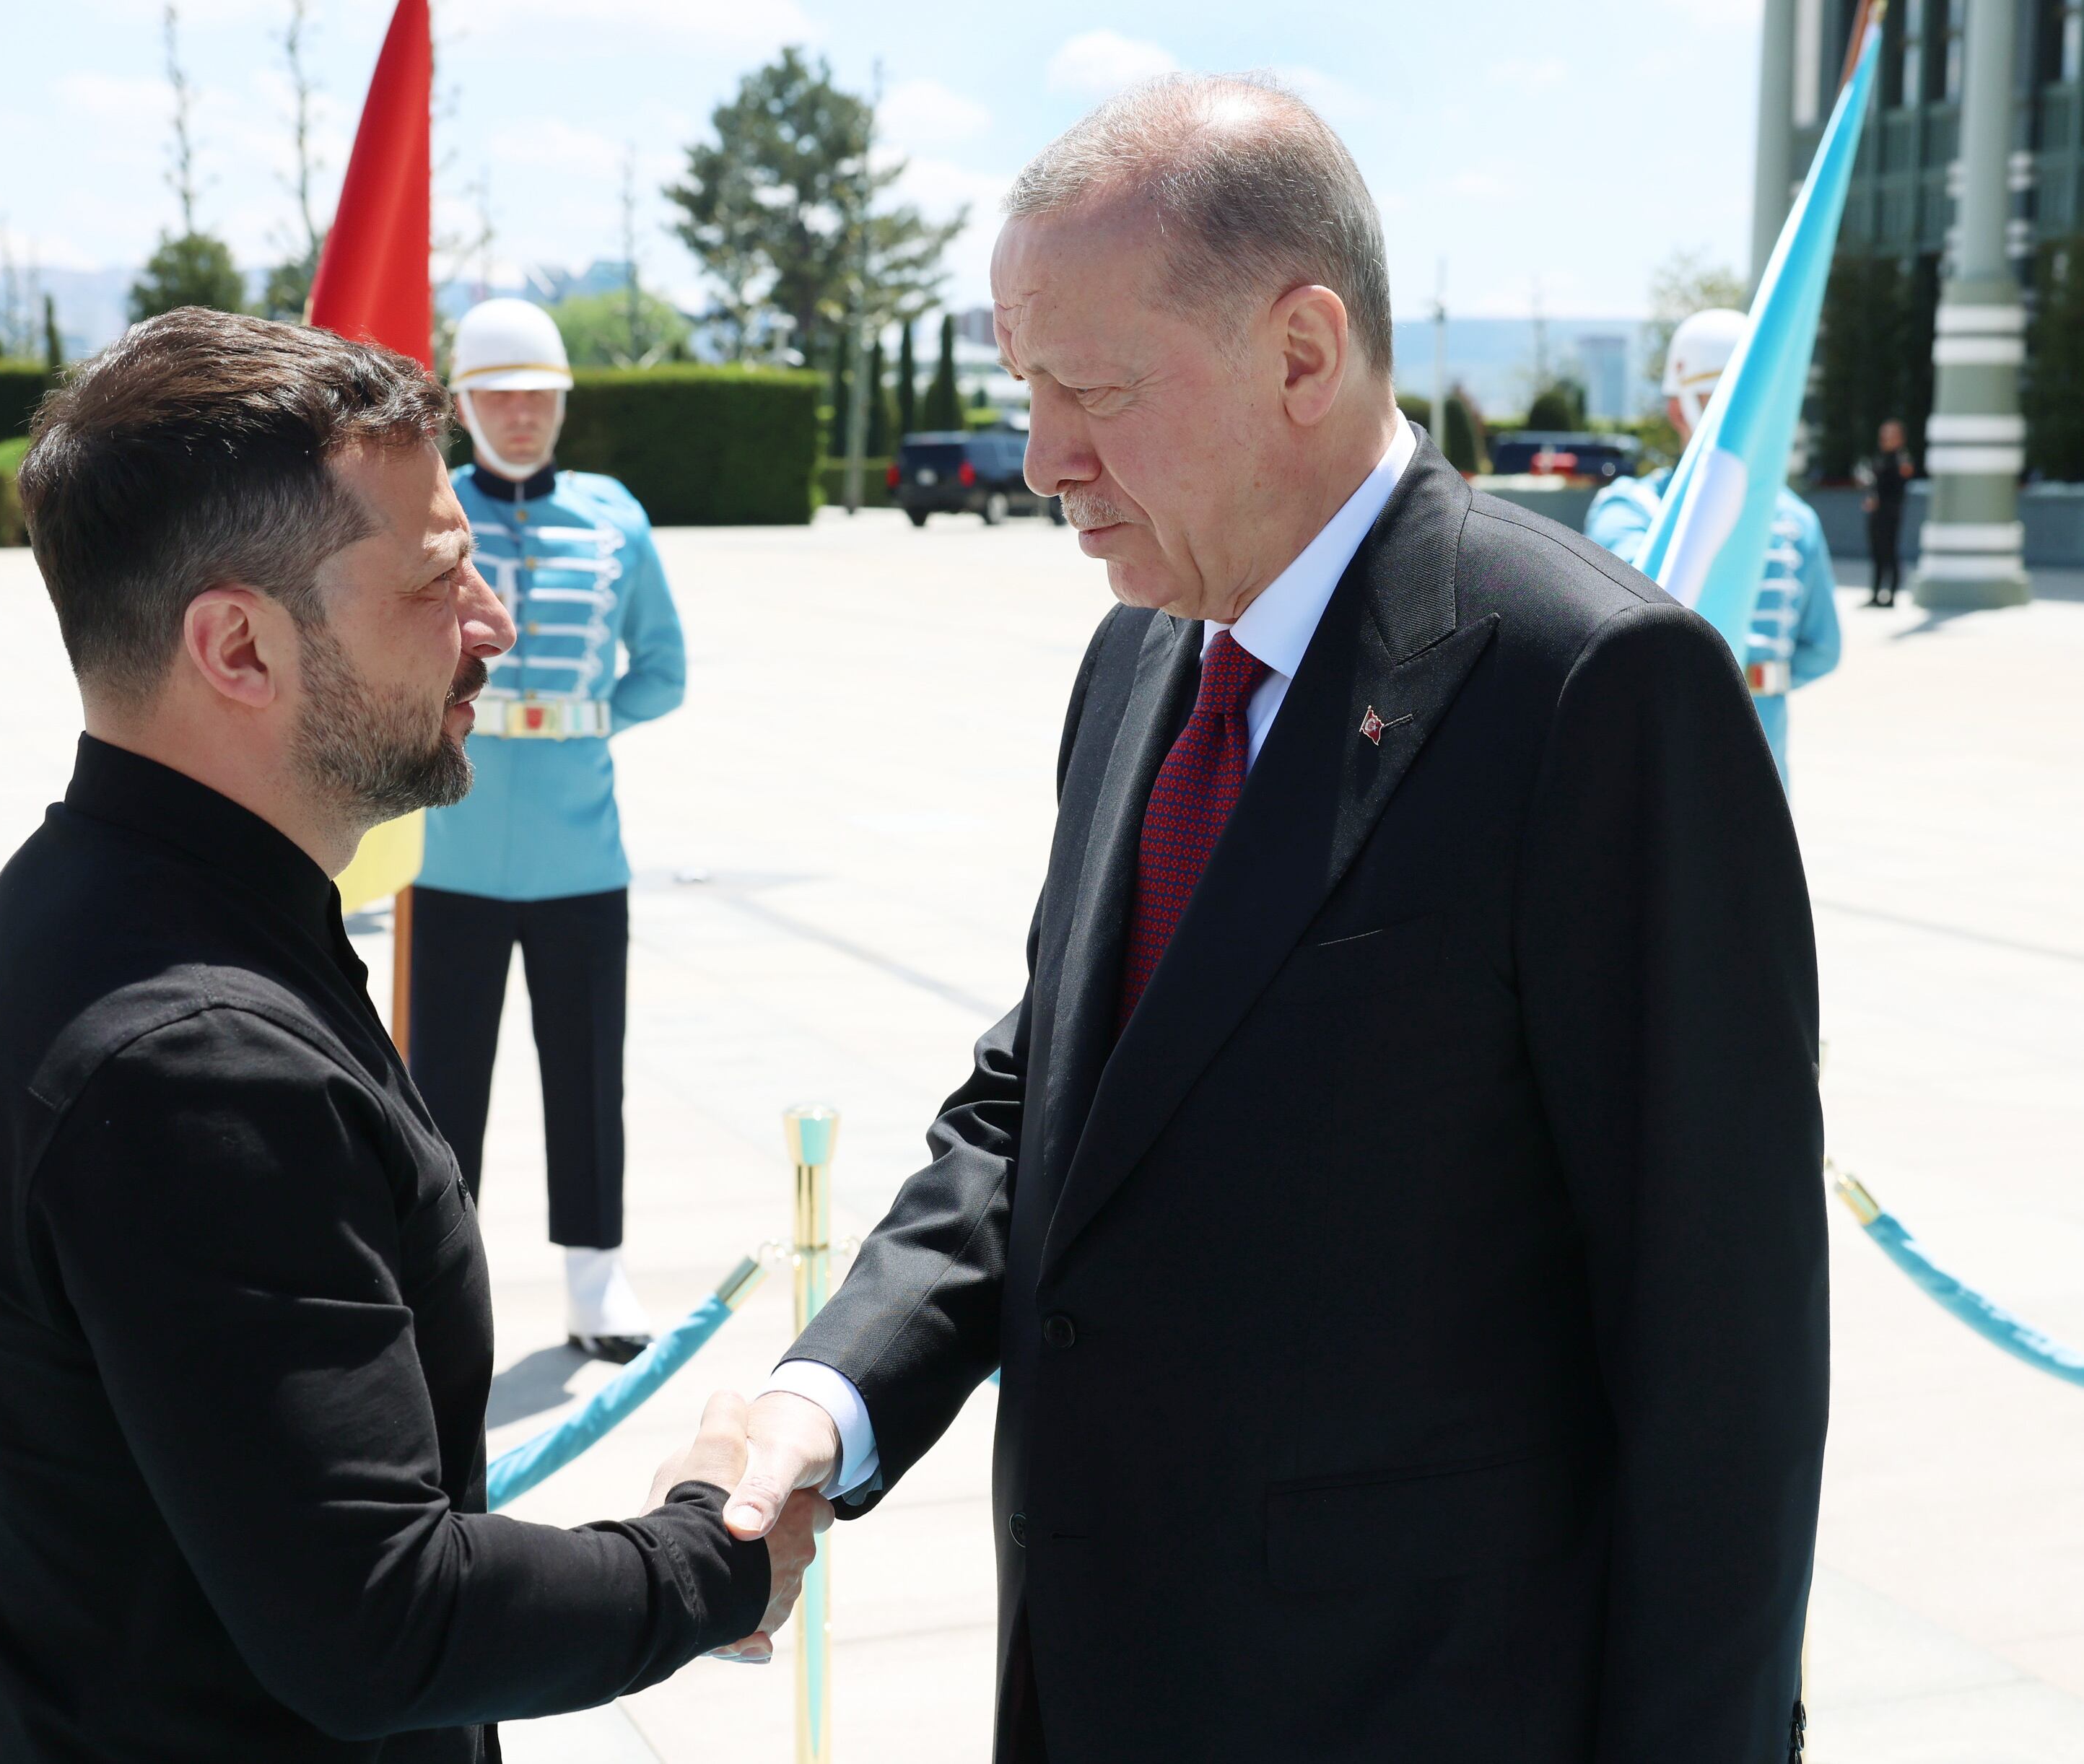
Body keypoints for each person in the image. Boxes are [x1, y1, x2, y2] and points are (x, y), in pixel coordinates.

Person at [716, 75, 1827, 1763]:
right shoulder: (1143, 654)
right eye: (1025, 389)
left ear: (1302, 354)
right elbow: (1050, 1110)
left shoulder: (1590, 689)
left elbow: (1718, 1354)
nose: (1038, 460)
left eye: (1085, 389)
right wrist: (829, 1397)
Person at [0, 309, 821, 1764]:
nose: (492, 621)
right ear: (238, 645)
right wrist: (708, 1553)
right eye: (437, 581)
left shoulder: (76, 912)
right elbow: (380, 1618)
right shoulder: (193, 1061)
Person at [409, 297, 687, 1363]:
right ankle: (438, 1278)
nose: (520, 414)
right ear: (465, 403)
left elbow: (662, 664)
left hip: (582, 850)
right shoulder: (429, 517)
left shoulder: (614, 517)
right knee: (441, 1083)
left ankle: (594, 1273)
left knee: (585, 1068)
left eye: (539, 395)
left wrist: (583, 718)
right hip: (454, 852)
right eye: (497, 394)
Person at [1584, 307, 1841, 789]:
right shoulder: (1632, 510)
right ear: (1678, 409)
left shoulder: (1632, 511)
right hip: (1687, 753)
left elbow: (1824, 647)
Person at [1858, 416, 1916, 606]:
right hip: (1877, 514)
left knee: (1890, 553)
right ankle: (1875, 595)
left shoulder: (1902, 459)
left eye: (1891, 434)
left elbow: (1898, 486)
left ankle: (1891, 596)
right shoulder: (1879, 457)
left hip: (1890, 513)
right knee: (1877, 553)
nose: (1886, 439)